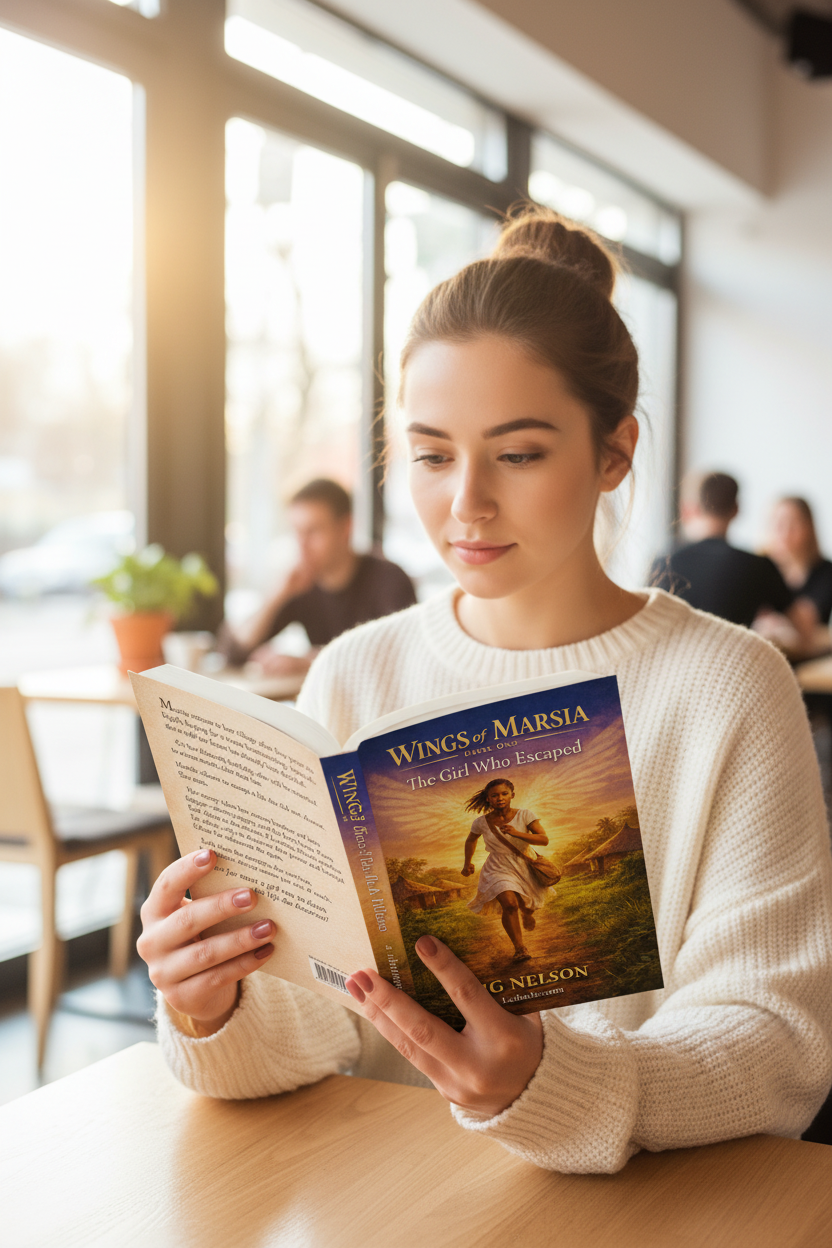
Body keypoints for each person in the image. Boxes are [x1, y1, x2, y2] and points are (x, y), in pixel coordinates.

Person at [137, 206, 832, 1174]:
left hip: (648, 1210)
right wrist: (212, 1002)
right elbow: (325, 1028)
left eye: (517, 453)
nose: (464, 503)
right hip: (394, 1199)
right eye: (429, 455)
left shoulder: (724, 684)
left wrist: (552, 1084)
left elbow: (776, 1043)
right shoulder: (356, 671)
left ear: (613, 452)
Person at [219, 479, 416, 675]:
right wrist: (277, 595)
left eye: (312, 531)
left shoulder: (389, 579)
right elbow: (235, 652)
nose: (302, 545)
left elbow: (399, 655)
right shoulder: (301, 585)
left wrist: (311, 660)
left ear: (345, 528)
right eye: (296, 532)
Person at [649, 471, 808, 631]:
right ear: (736, 509)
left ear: (691, 509)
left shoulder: (664, 560)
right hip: (732, 655)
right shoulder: (758, 566)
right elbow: (803, 628)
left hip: (672, 655)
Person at [462, 778, 551, 961]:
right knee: (509, 904)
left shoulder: (525, 815)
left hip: (524, 864)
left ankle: (527, 913)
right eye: (494, 795)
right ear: (488, 799)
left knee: (524, 904)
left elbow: (544, 839)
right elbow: (471, 840)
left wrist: (516, 832)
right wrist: (467, 862)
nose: (500, 798)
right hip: (497, 866)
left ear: (512, 795)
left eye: (504, 794)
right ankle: (520, 949)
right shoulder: (481, 822)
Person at [763, 496, 832, 627]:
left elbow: (811, 619)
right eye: (778, 523)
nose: (785, 532)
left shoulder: (826, 571)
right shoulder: (759, 567)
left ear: (809, 527)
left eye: (793, 523)